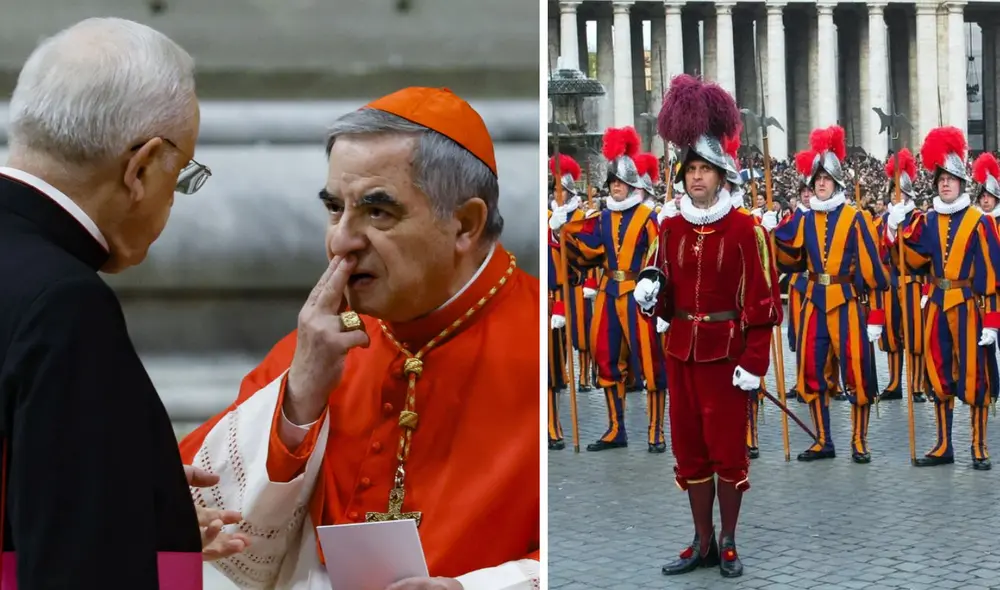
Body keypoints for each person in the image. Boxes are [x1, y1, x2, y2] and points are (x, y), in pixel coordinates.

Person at [180, 87, 540, 588]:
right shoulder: (321, 343)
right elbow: (211, 531)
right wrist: (298, 402)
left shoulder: (546, 338)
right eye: (334, 209)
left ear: (465, 223)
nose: (341, 240)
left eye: (378, 213)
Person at [0, 17, 249, 588]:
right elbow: (80, 563)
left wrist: (144, 496)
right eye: (181, 172)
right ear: (141, 167)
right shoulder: (64, 305)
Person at [633, 74, 782, 578]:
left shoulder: (746, 229)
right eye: (690, 169)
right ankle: (700, 541)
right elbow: (662, 286)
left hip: (727, 356)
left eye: (705, 169)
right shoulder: (669, 225)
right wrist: (650, 298)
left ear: (721, 175)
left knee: (726, 451)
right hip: (681, 352)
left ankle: (729, 540)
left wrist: (754, 363)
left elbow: (763, 303)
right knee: (689, 450)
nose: (697, 178)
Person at [764, 125, 889, 464]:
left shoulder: (855, 217)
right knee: (812, 370)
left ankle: (859, 441)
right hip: (813, 304)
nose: (820, 183)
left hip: (846, 302)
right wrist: (770, 231)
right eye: (816, 179)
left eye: (826, 179)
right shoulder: (804, 219)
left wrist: (876, 316)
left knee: (857, 370)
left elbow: (872, 271)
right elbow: (790, 257)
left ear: (837, 182)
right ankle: (823, 439)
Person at [886, 127, 1000, 470]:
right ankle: (944, 444)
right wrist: (894, 230)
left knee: (975, 376)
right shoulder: (927, 220)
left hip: (968, 307)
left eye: (951, 179)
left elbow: (993, 276)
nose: (945, 184)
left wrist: (993, 322)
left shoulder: (980, 223)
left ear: (962, 184)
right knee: (938, 375)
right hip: (936, 305)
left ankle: (978, 446)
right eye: (941, 179)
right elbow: (912, 258)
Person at [550, 127, 669, 454]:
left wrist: (655, 289)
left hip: (638, 293)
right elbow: (586, 249)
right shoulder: (601, 218)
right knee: (605, 356)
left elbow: (660, 255)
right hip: (607, 292)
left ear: (632, 185)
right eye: (612, 182)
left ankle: (656, 431)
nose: (616, 187)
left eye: (621, 182)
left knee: (649, 360)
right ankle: (616, 428)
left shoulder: (648, 218)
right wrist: (562, 229)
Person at [874, 149, 928, 404]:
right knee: (891, 335)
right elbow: (878, 251)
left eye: (902, 193)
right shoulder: (882, 221)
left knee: (915, 336)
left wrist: (898, 230)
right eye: (894, 193)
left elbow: (919, 252)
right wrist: (890, 227)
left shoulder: (918, 220)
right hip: (890, 284)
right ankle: (894, 382)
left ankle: (916, 385)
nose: (898, 197)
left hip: (912, 285)